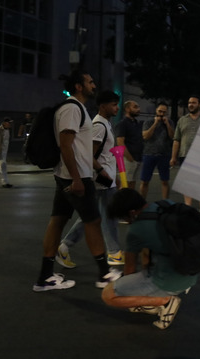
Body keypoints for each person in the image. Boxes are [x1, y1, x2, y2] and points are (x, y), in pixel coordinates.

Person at [32, 70, 121, 292]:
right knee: (92, 221)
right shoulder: (72, 108)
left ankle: (45, 277)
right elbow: (66, 145)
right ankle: (104, 274)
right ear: (79, 86)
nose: (94, 84)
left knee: (58, 221)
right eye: (90, 81)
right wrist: (77, 178)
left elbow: (79, 148)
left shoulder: (78, 109)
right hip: (76, 177)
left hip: (70, 175)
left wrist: (99, 170)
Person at [101, 188, 195, 330]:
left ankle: (164, 302)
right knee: (150, 256)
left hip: (170, 281)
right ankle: (161, 294)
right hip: (192, 271)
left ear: (131, 212)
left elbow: (129, 269)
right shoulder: (166, 204)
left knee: (108, 294)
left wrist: (132, 292)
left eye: (123, 218)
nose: (125, 222)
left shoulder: (136, 231)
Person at [57, 91, 125, 269]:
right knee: (107, 216)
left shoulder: (106, 124)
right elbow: (89, 154)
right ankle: (114, 252)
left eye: (117, 104)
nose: (117, 107)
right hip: (100, 180)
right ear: (103, 106)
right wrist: (102, 172)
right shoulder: (99, 126)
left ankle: (64, 246)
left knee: (91, 217)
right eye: (113, 104)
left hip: (105, 179)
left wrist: (113, 174)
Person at [171, 94, 200, 215]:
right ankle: (188, 207)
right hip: (185, 154)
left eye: (194, 102)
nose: (191, 105)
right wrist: (173, 157)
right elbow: (176, 139)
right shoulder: (182, 120)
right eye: (189, 103)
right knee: (187, 182)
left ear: (199, 104)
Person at [139, 102, 174, 200]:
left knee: (165, 181)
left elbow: (172, 136)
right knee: (144, 181)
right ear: (156, 111)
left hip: (164, 154)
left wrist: (167, 124)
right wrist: (155, 123)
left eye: (164, 112)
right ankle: (142, 202)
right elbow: (145, 136)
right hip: (149, 154)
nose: (161, 114)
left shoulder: (170, 122)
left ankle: (166, 202)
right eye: (160, 111)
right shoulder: (148, 122)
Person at [114, 101, 144, 188]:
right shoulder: (122, 124)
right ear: (127, 109)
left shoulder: (136, 123)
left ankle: (129, 201)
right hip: (127, 159)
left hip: (137, 158)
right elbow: (120, 142)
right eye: (135, 107)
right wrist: (130, 158)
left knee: (132, 184)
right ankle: (121, 201)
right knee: (124, 184)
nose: (138, 109)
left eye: (138, 107)